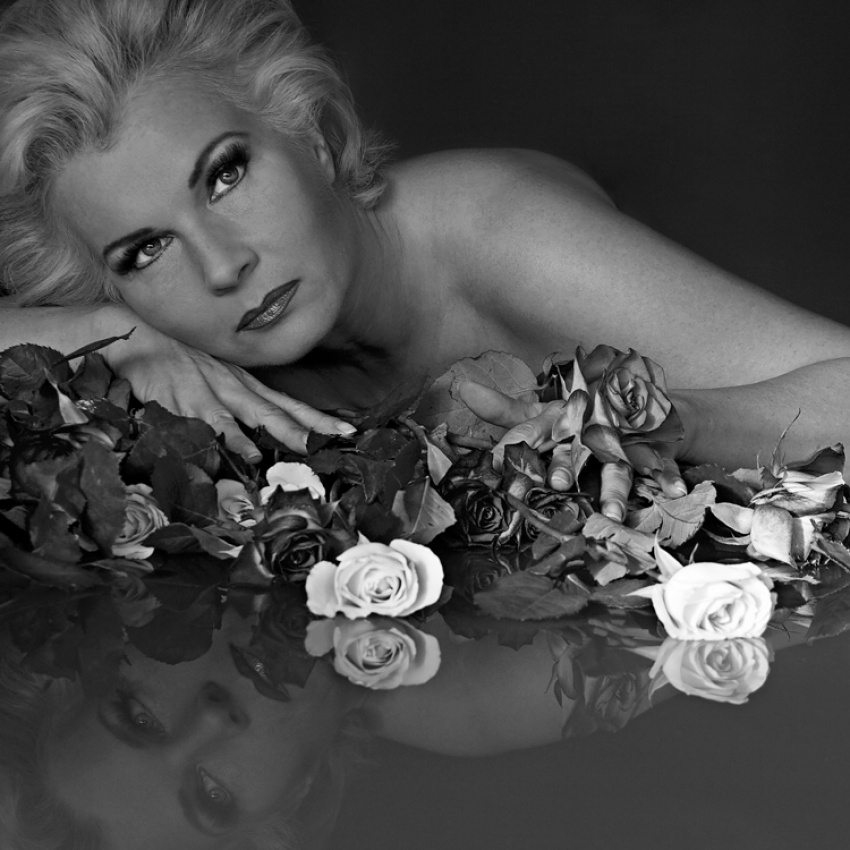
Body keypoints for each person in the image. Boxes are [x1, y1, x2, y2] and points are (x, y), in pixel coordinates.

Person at [1, 0, 850, 520]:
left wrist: (648, 425)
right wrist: (88, 329)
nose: (223, 267)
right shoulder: (135, 335)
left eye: (226, 175)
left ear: (314, 134)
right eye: (145, 250)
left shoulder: (505, 232)